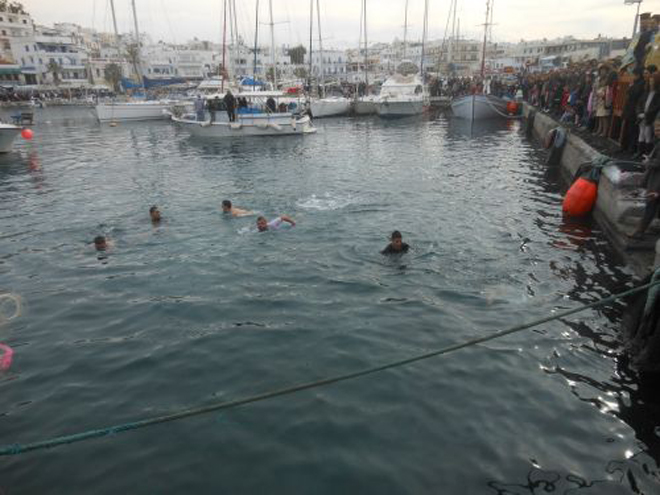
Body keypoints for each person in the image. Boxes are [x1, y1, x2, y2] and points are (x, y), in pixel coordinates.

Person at [630, 116, 660, 239]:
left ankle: (639, 232)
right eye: (656, 129)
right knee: (653, 206)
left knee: (650, 206)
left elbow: (658, 163)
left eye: (659, 129)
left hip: (657, 181)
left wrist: (648, 162)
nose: (657, 132)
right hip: (655, 179)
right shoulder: (657, 142)